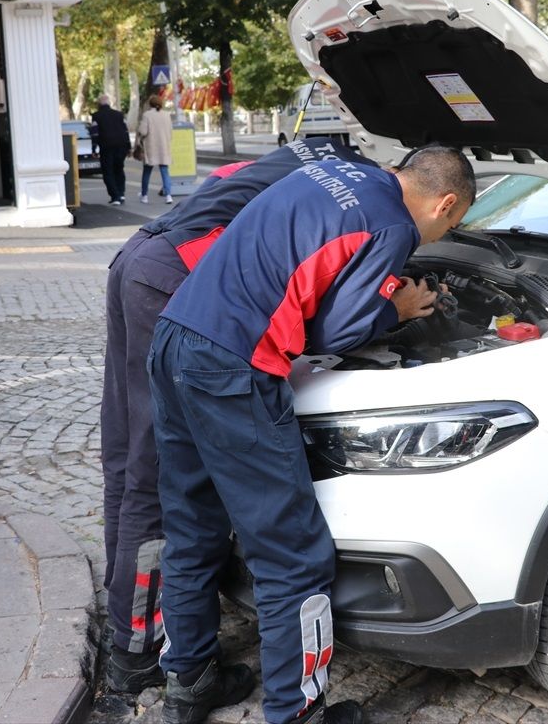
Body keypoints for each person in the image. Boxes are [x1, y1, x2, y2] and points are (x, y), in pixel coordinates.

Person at [148, 145, 476, 724]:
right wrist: (399, 306)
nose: (438, 235)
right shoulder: (394, 225)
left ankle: (189, 680)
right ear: (446, 203)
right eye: (451, 223)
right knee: (294, 555)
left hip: (175, 335)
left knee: (191, 521)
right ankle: (297, 713)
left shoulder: (336, 172)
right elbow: (335, 328)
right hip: (233, 366)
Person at [99, 137, 376, 695]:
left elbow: (226, 185)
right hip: (175, 282)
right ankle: (138, 653)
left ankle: (132, 632)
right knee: (157, 486)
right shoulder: (359, 189)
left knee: (127, 461)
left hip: (138, 256)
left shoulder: (301, 158)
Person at [93, 94, 130, 205]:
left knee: (108, 172)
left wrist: (94, 148)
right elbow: (125, 131)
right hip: (121, 146)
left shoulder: (96, 116)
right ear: (109, 103)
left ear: (99, 104)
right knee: (119, 169)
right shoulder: (119, 115)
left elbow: (94, 133)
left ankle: (115, 196)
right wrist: (129, 147)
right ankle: (121, 193)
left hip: (106, 147)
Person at [137, 95, 173, 204]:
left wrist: (140, 138)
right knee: (165, 172)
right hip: (164, 147)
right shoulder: (167, 115)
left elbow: (143, 131)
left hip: (151, 147)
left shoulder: (147, 115)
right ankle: (168, 196)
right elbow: (170, 131)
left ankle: (144, 196)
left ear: (150, 104)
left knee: (147, 172)